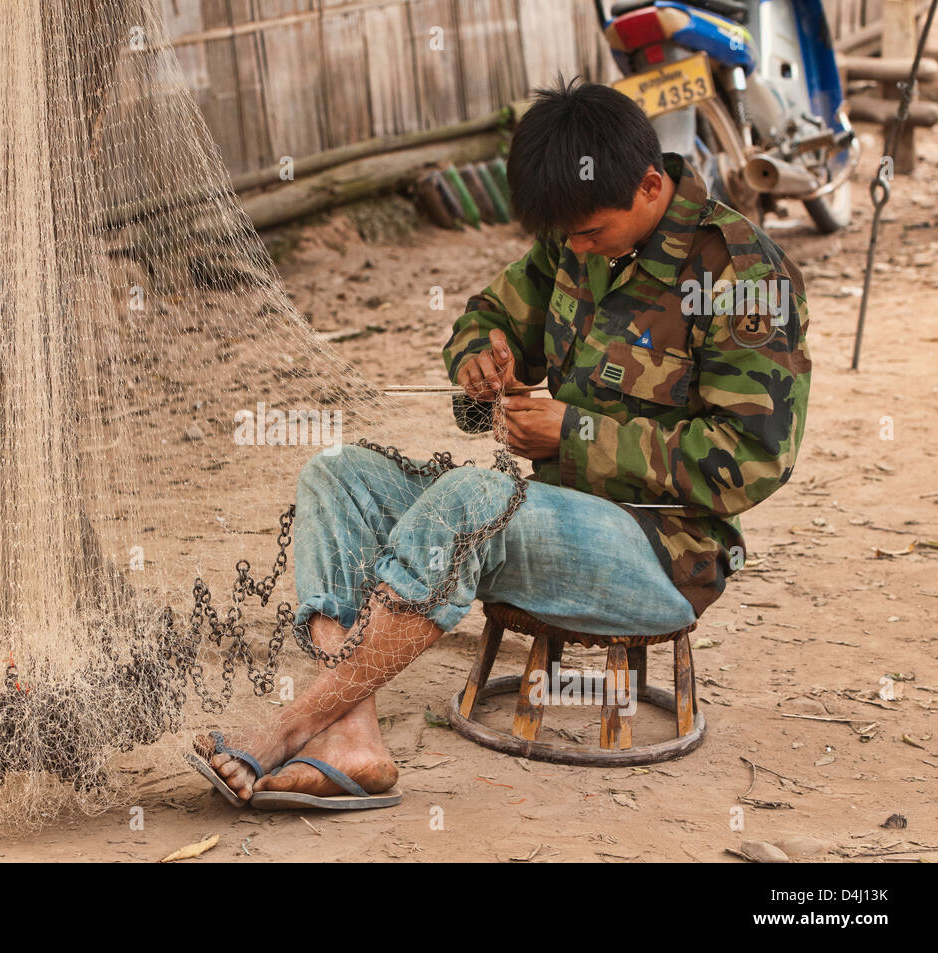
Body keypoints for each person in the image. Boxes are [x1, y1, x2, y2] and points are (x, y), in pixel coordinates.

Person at [190, 77, 811, 808]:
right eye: (565, 236)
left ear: (650, 185)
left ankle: (291, 724)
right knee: (339, 473)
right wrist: (481, 360)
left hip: (663, 554)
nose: (575, 248)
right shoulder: (575, 239)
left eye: (588, 233)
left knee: (473, 497)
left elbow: (756, 457)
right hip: (546, 519)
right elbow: (487, 316)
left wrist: (574, 432)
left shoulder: (741, 273)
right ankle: (352, 737)